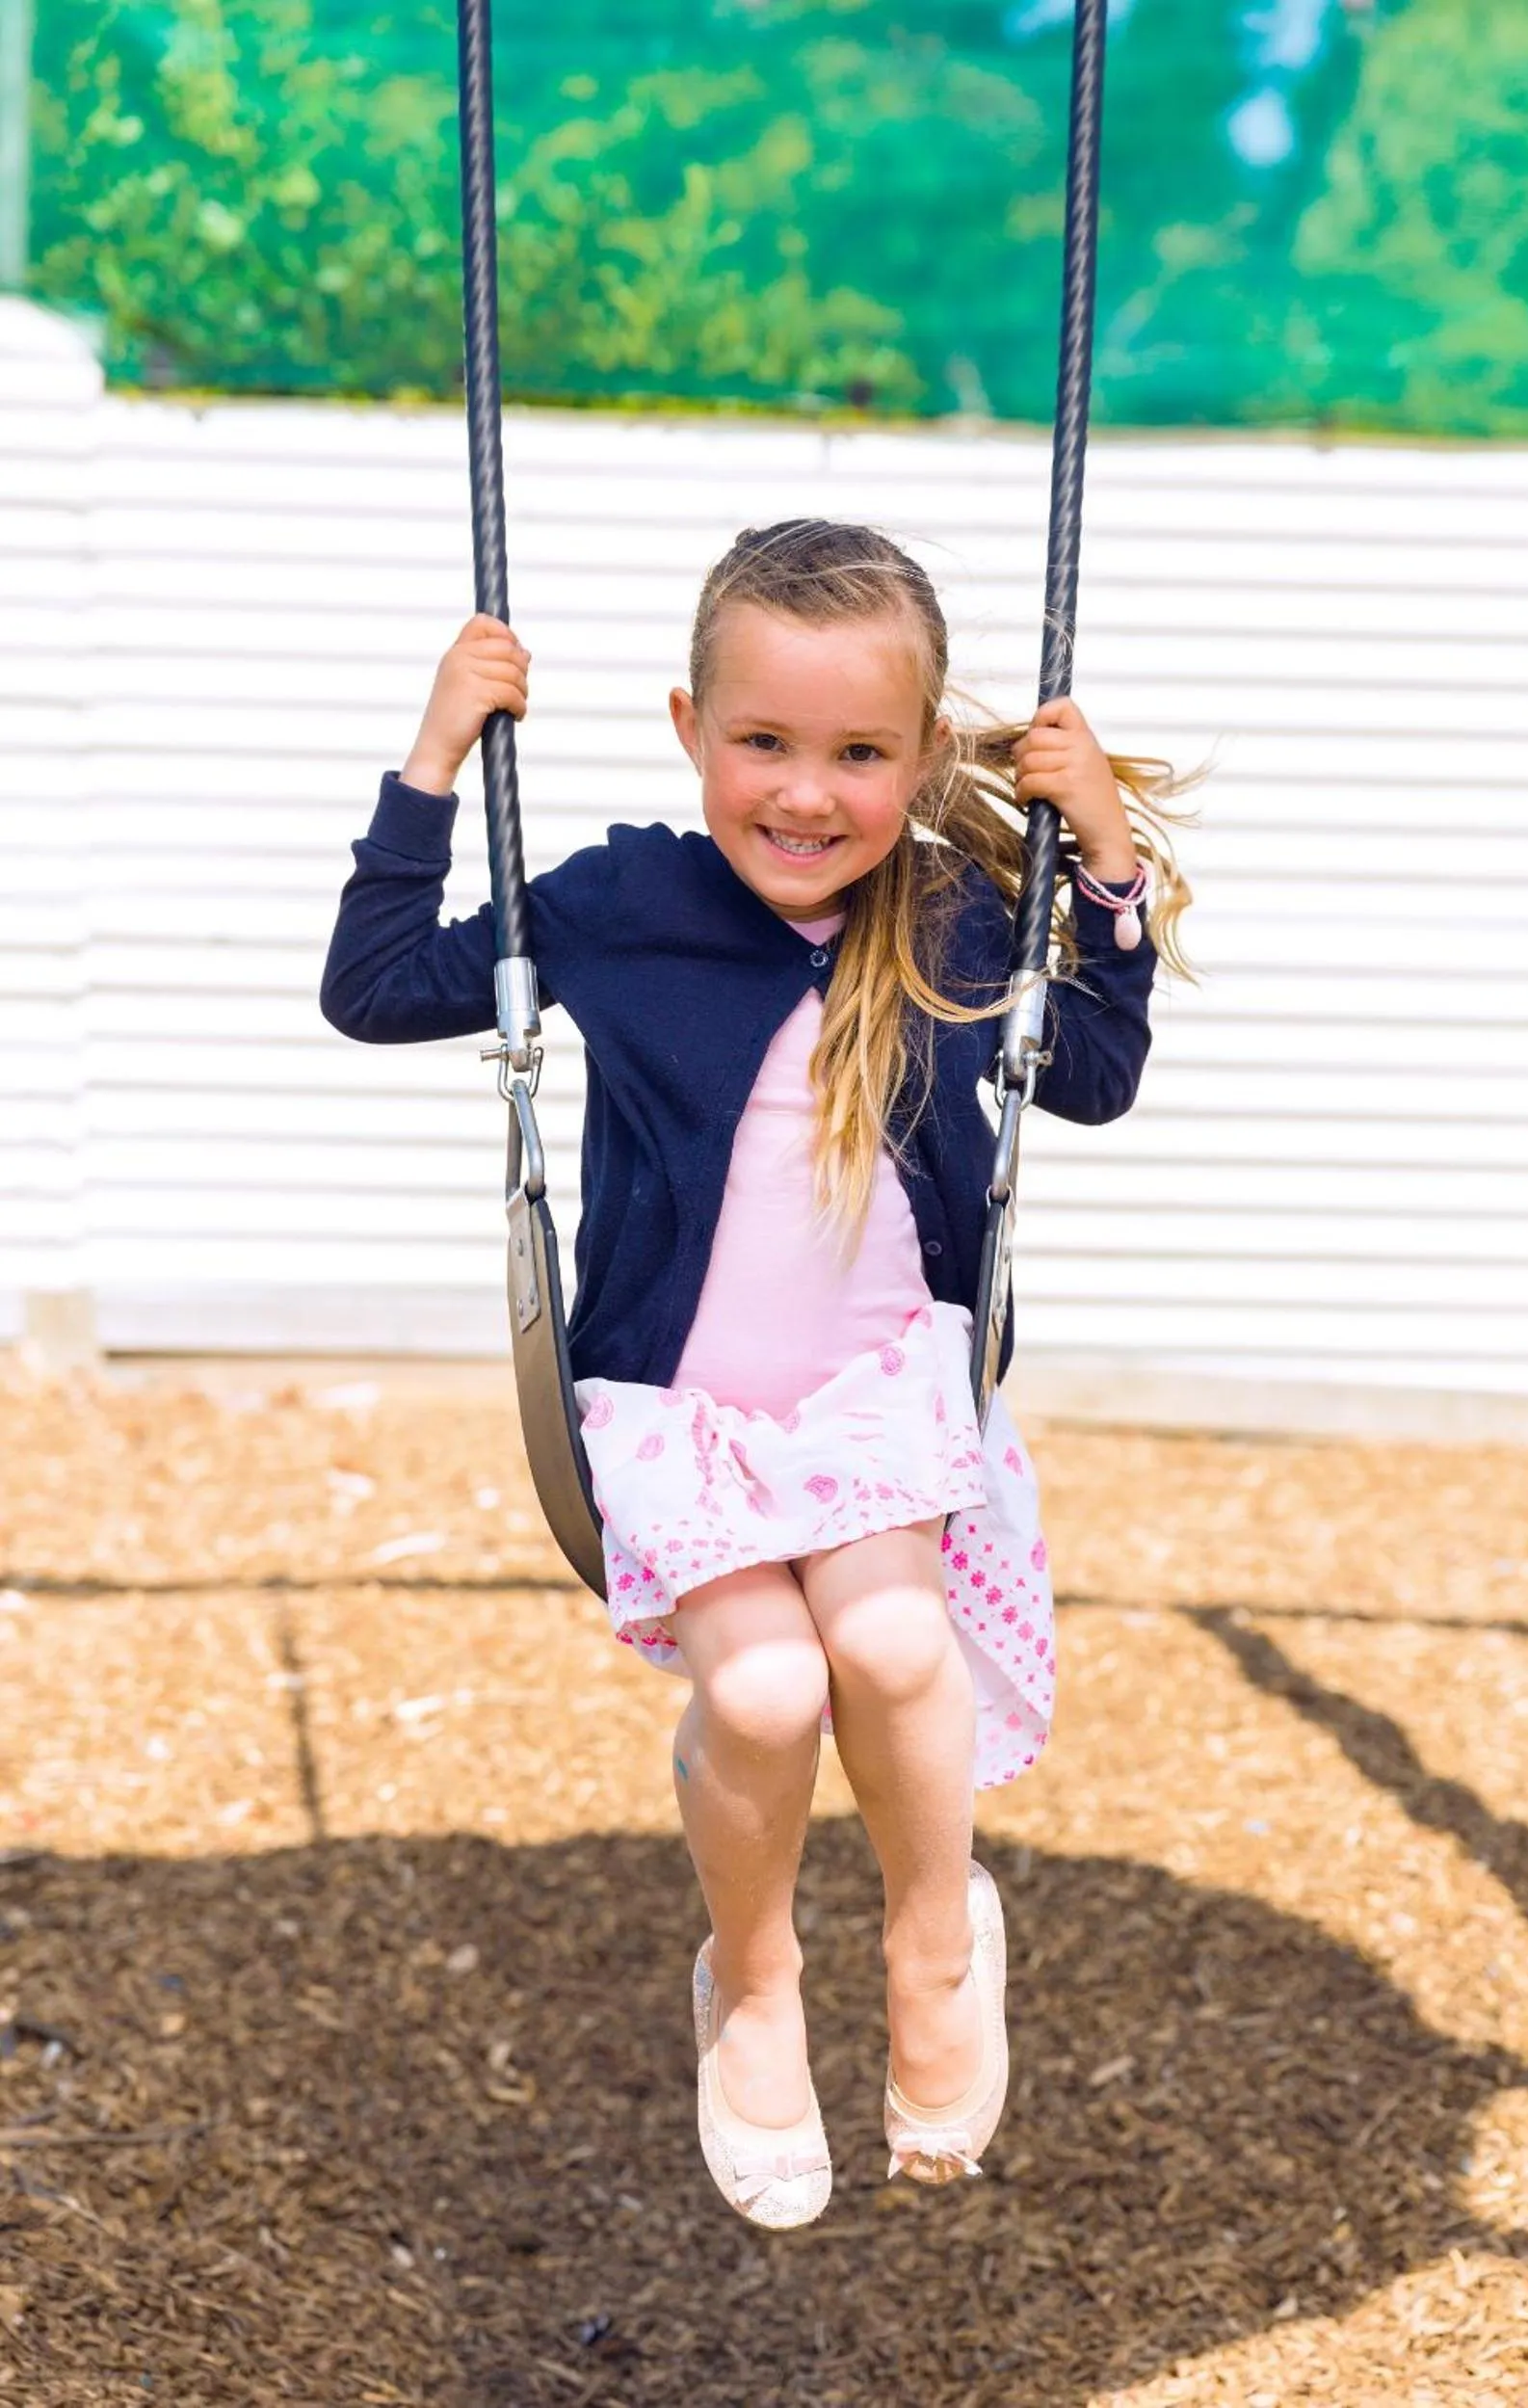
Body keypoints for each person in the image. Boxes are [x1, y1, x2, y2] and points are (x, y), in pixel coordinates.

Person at [322, 517, 1191, 2231]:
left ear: (920, 756)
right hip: (683, 1419)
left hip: (875, 1395)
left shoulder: (952, 913)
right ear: (689, 729)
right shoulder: (622, 903)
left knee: (891, 1642)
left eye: (859, 753)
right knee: (771, 1689)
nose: (806, 793)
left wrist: (1096, 850)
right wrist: (433, 759)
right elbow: (373, 987)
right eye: (764, 742)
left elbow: (1091, 1073)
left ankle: (934, 1943)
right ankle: (758, 1977)